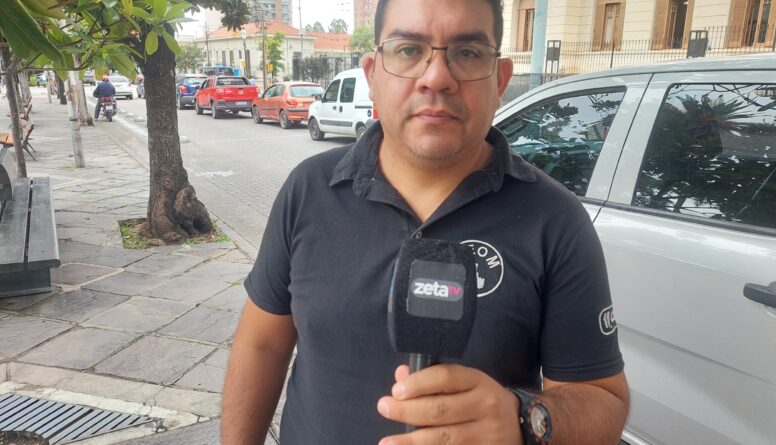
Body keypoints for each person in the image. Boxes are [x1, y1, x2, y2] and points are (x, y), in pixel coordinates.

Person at [222, 0, 629, 444]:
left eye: (467, 53)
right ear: (373, 74)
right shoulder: (309, 189)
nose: (436, 77)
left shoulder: (556, 220)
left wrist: (523, 418)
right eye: (408, 50)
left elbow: (603, 402)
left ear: (500, 80)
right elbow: (262, 344)